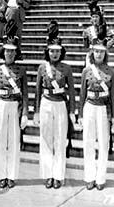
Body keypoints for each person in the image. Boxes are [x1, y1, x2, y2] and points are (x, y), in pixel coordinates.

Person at [35, 22, 76, 189]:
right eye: (52, 51)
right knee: (46, 139)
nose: (54, 53)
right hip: (46, 103)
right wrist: (36, 111)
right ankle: (48, 175)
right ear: (47, 52)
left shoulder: (67, 69)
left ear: (61, 52)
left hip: (60, 105)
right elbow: (37, 91)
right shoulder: (42, 68)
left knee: (60, 139)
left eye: (57, 51)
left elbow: (72, 91)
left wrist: (72, 110)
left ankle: (58, 175)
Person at [0, 35, 28, 189]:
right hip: (1, 104)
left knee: (13, 140)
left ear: (16, 53)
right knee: (0, 140)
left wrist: (25, 113)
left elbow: (25, 93)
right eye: (7, 51)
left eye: (12, 52)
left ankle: (11, 175)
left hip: (14, 105)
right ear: (3, 52)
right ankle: (1, 175)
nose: (9, 54)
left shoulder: (22, 70)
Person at [78, 38, 114, 191]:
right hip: (89, 106)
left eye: (101, 51)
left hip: (103, 108)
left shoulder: (111, 71)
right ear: (92, 52)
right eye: (96, 51)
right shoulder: (86, 71)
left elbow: (113, 95)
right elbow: (82, 93)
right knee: (88, 142)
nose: (99, 54)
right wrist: (80, 114)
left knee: (103, 143)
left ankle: (100, 178)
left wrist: (113, 115)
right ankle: (89, 177)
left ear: (105, 53)